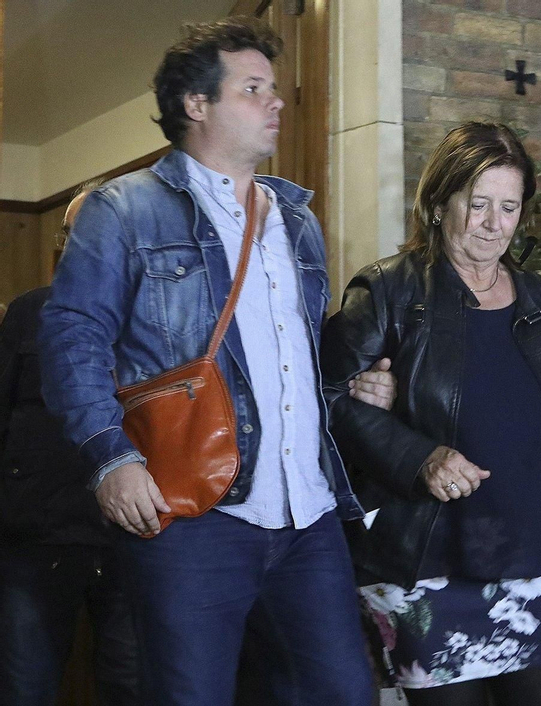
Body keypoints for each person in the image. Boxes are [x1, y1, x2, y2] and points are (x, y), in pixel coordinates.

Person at [37, 17, 395, 704]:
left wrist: (352, 383)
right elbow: (72, 335)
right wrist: (109, 456)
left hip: (308, 515)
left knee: (346, 693)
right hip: (194, 518)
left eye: (274, 88)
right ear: (195, 105)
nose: (276, 102)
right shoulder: (124, 210)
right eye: (253, 88)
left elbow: (291, 356)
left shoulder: (296, 219)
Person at [320, 121, 541, 705]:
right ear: (442, 202)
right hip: (427, 568)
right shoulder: (387, 291)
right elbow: (327, 400)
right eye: (480, 204)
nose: (495, 224)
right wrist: (420, 457)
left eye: (510, 207)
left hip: (528, 563)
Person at [0, 182, 138, 705]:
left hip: (134, 535)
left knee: (133, 686)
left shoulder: (159, 318)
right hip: (37, 536)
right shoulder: (30, 312)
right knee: (24, 687)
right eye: (75, 232)